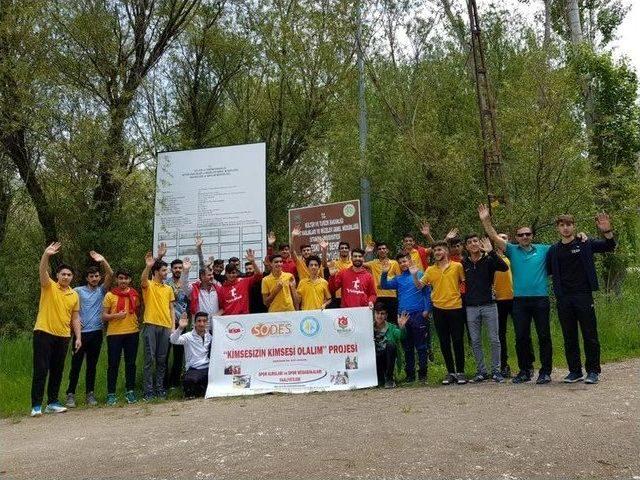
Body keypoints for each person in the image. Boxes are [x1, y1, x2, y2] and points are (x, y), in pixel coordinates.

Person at [479, 204, 554, 384]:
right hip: (519, 300)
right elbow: (493, 236)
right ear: (516, 238)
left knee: (543, 335)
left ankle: (545, 371)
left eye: (528, 234)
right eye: (521, 235)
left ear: (532, 236)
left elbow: (566, 242)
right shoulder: (512, 250)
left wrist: (581, 237)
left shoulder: (545, 249)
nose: (525, 237)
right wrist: (485, 221)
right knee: (521, 336)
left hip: (540, 299)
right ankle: (525, 370)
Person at [546, 213, 616, 384]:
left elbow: (609, 246)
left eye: (569, 224)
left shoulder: (585, 243)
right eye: (562, 225)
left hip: (583, 295)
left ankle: (593, 371)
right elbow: (549, 271)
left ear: (574, 226)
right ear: (558, 228)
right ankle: (575, 371)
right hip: (563, 298)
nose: (565, 228)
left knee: (589, 334)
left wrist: (607, 231)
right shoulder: (553, 250)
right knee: (569, 336)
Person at [31, 242, 81, 416]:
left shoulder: (74, 294)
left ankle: (52, 402)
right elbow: (42, 270)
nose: (66, 277)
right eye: (63, 274)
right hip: (43, 332)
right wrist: (46, 255)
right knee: (41, 369)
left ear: (72, 277)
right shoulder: (49, 285)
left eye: (69, 274)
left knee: (58, 370)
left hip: (63, 336)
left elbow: (75, 317)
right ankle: (36, 406)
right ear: (57, 275)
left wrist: (78, 337)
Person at [413, 241, 467, 385]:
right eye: (435, 250)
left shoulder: (457, 266)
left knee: (457, 341)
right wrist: (414, 275)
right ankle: (450, 372)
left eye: (440, 250)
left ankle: (461, 372)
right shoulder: (430, 270)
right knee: (444, 342)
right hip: (438, 309)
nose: (437, 252)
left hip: (456, 307)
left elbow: (464, 283)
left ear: (446, 251)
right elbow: (419, 286)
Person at [65, 251, 113, 408]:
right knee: (76, 365)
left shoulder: (101, 291)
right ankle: (70, 394)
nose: (94, 279)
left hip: (97, 333)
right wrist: (73, 325)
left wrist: (103, 259)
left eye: (96, 276)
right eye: (91, 276)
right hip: (81, 334)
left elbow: (110, 274)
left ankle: (90, 394)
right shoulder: (77, 291)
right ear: (87, 278)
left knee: (92, 365)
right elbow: (70, 308)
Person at [462, 235, 509, 383]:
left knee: (494, 339)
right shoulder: (463, 263)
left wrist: (491, 252)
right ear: (466, 247)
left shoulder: (489, 260)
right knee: (475, 340)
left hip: (489, 304)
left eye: (475, 241)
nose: (473, 244)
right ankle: (481, 371)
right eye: (469, 242)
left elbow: (504, 267)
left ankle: (496, 371)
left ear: (480, 243)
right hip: (471, 307)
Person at [380, 253, 432, 383]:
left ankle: (423, 374)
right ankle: (410, 375)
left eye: (405, 261)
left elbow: (427, 293)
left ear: (410, 261)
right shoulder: (398, 279)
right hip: (403, 316)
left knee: (421, 346)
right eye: (400, 262)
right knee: (407, 347)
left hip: (418, 314)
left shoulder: (419, 274)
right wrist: (384, 273)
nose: (403, 264)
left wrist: (427, 309)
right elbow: (384, 285)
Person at [140, 252, 175, 400]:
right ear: (156, 272)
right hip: (151, 325)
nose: (166, 273)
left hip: (166, 327)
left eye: (167, 270)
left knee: (162, 360)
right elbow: (142, 280)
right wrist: (147, 266)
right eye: (164, 270)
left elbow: (171, 309)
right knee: (149, 359)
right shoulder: (149, 285)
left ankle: (160, 389)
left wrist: (173, 327)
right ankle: (148, 391)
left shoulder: (168, 288)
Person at [102, 269, 140, 405]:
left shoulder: (135, 294)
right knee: (113, 364)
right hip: (114, 334)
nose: (123, 281)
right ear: (117, 280)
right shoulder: (110, 295)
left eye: (126, 278)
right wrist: (115, 316)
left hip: (132, 332)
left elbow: (137, 311)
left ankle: (130, 391)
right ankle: (111, 394)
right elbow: (104, 316)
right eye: (121, 278)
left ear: (130, 280)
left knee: (131, 364)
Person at [493, 233, 522, 378]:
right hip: (497, 301)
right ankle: (503, 365)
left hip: (515, 298)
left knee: (521, 333)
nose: (502, 240)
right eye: (499, 238)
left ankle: (525, 365)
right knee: (500, 335)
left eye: (504, 238)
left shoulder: (514, 256)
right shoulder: (489, 257)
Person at [170, 311, 212, 398]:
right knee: (189, 382)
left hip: (208, 368)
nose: (201, 324)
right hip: (194, 369)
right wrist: (180, 328)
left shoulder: (210, 336)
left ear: (207, 323)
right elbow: (173, 340)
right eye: (199, 321)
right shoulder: (188, 336)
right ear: (194, 323)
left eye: (204, 321)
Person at [164, 258, 189, 390]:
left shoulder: (186, 284)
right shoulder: (166, 283)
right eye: (175, 268)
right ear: (171, 269)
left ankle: (175, 383)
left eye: (180, 268)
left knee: (179, 354)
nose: (178, 270)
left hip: (182, 323)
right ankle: (163, 383)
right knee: (165, 353)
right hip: (167, 322)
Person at [364, 241, 401, 324]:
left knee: (392, 321)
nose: (382, 250)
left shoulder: (394, 263)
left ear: (387, 250)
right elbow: (358, 263)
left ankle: (392, 337)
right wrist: (366, 252)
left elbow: (399, 279)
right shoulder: (373, 263)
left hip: (392, 296)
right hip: (378, 297)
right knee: (379, 322)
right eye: (379, 249)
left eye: (384, 248)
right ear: (377, 251)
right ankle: (380, 337)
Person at [180, 258, 222, 329]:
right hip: (199, 328)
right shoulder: (194, 289)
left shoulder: (218, 289)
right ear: (202, 277)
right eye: (209, 275)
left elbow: (224, 305)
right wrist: (185, 271)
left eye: (212, 275)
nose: (212, 277)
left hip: (216, 328)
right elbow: (184, 285)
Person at [373, 302, 406, 388]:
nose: (379, 316)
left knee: (391, 345)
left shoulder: (391, 327)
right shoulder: (369, 328)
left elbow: (401, 336)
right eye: (377, 313)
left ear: (386, 315)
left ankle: (389, 378)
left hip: (387, 359)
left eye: (382, 313)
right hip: (375, 359)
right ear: (374, 314)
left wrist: (402, 327)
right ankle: (379, 379)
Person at [219, 250, 262, 315]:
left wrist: (253, 262)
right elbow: (222, 308)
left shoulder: (243, 281)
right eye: (229, 273)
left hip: (244, 318)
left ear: (236, 273)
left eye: (233, 273)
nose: (231, 275)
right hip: (229, 320)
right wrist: (214, 316)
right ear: (225, 274)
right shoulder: (222, 289)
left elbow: (259, 275)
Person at [325, 241, 354, 308]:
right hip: (337, 297)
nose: (344, 249)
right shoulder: (334, 263)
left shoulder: (353, 264)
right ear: (339, 250)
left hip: (351, 295)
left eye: (346, 248)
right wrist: (324, 250)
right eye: (342, 248)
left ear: (349, 250)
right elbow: (323, 264)